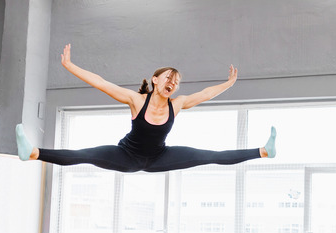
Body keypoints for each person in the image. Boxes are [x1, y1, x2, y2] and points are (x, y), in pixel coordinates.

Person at [16, 44, 276, 172]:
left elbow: (205, 94)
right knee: (84, 154)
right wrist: (69, 66)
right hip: (126, 156)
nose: (172, 83)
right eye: (168, 78)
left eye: (176, 81)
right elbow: (101, 82)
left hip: (160, 157)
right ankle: (33, 152)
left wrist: (229, 83)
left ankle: (264, 152)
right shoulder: (136, 100)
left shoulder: (178, 104)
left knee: (210, 155)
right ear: (155, 80)